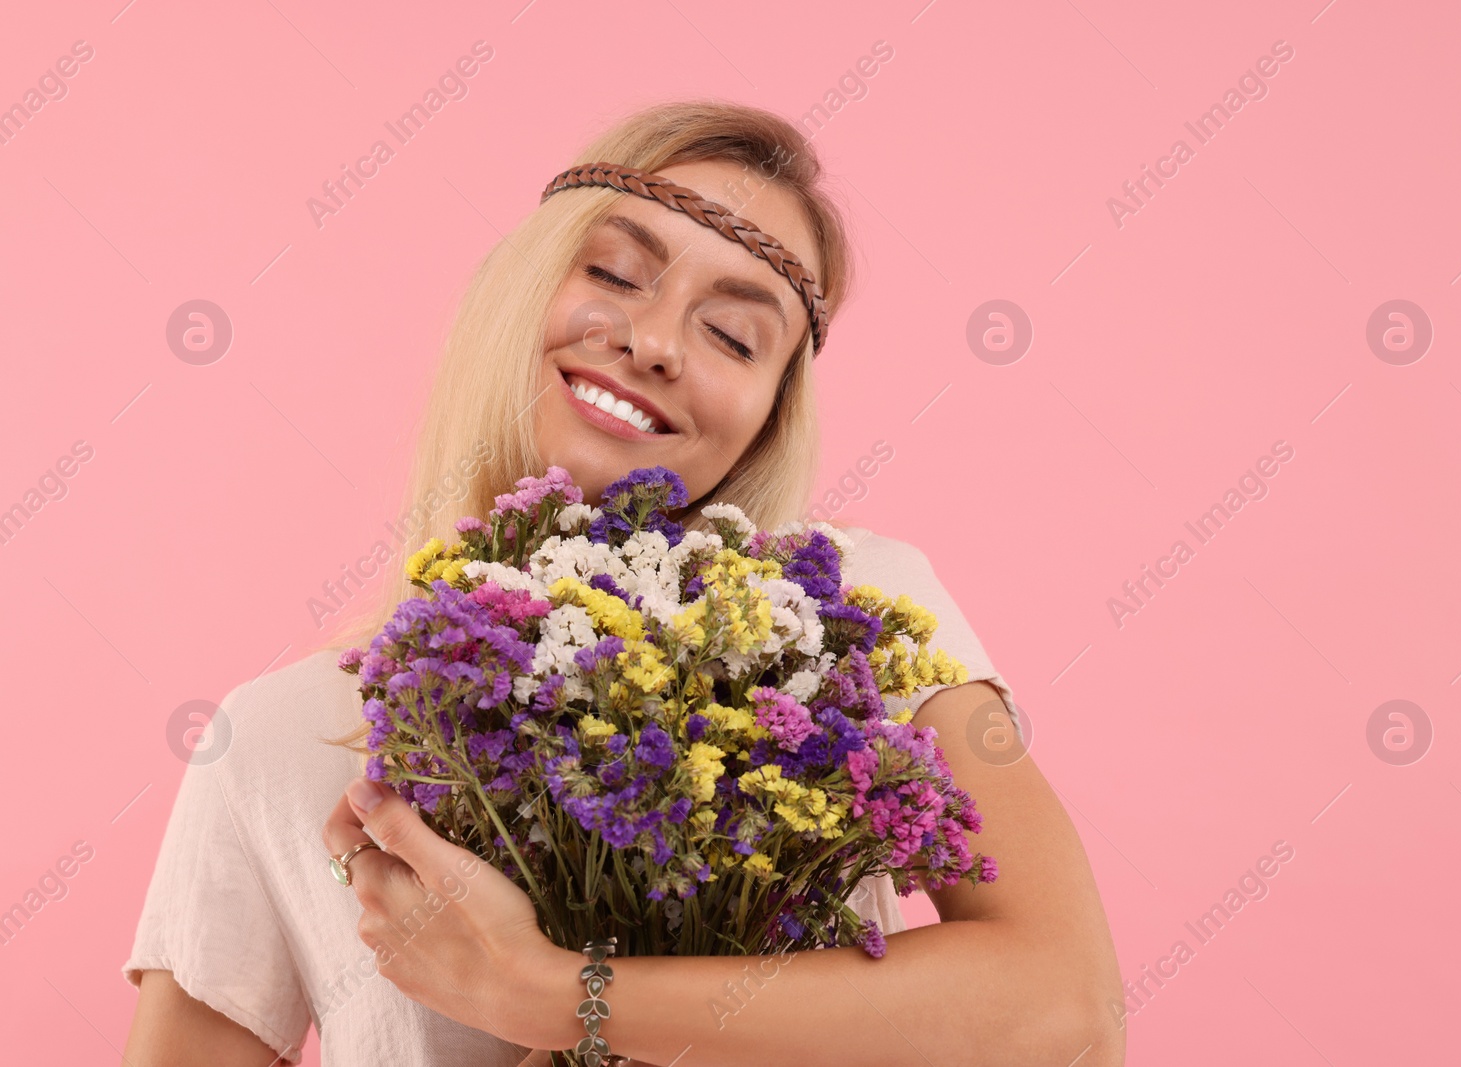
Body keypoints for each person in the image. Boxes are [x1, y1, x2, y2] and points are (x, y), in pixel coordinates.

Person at [122, 99, 1125, 1066]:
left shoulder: (850, 621)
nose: (653, 341)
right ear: (520, 282)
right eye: (614, 271)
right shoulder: (271, 738)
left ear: (771, 413)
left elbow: (1064, 1014)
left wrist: (556, 993)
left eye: (734, 335)